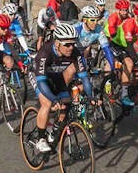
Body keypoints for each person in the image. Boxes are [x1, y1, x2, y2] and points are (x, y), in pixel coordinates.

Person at [31, 23, 94, 152]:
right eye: (67, 44)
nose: (71, 47)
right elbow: (42, 82)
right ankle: (41, 139)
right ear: (57, 43)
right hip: (39, 77)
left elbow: (84, 78)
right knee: (47, 104)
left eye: (73, 44)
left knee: (66, 104)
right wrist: (54, 99)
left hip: (56, 76)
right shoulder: (45, 52)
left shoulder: (75, 53)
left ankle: (55, 129)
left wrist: (91, 97)